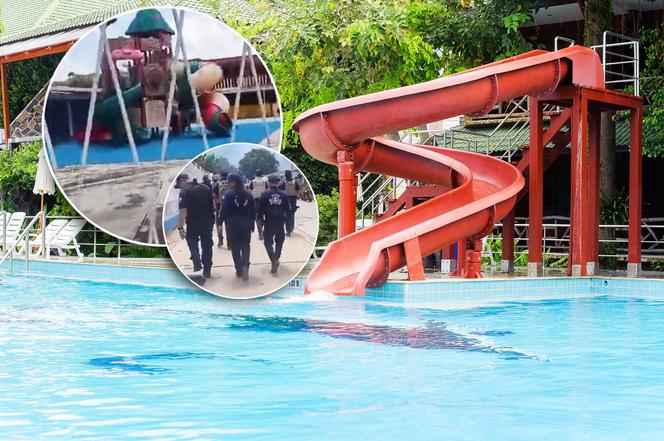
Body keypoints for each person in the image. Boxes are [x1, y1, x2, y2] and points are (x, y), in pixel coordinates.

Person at [218, 173, 255, 281]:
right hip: (246, 224)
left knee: (235, 248)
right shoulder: (249, 194)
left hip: (232, 225)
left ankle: (239, 270)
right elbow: (253, 211)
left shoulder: (228, 194)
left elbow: (224, 210)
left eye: (229, 182)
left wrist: (220, 222)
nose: (228, 184)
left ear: (233, 182)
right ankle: (245, 267)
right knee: (246, 246)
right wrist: (252, 224)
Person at [177, 173, 215, 278]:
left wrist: (180, 227)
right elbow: (213, 205)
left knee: (192, 241)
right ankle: (207, 270)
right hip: (207, 222)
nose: (180, 187)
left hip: (193, 222)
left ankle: (197, 263)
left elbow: (183, 211)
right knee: (207, 245)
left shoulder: (184, 192)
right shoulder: (206, 188)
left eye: (180, 185)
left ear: (183, 181)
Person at [258, 174, 292, 275]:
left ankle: (273, 259)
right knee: (279, 242)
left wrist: (260, 222)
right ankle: (276, 258)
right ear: (279, 182)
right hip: (280, 222)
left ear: (268, 182)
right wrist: (288, 223)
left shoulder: (264, 194)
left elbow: (259, 211)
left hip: (269, 222)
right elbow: (288, 211)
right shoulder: (284, 195)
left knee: (267, 243)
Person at [279, 169, 300, 236]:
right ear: (291, 174)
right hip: (293, 199)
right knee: (292, 214)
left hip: (286, 199)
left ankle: (288, 231)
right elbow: (298, 190)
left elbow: (280, 190)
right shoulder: (295, 182)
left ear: (285, 175)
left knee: (286, 215)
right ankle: (292, 227)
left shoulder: (283, 182)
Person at [213, 172, 230, 248]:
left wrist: (214, 205)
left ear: (220, 176)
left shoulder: (217, 184)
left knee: (219, 224)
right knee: (229, 225)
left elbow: (213, 196)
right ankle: (230, 243)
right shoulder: (230, 183)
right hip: (230, 207)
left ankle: (220, 239)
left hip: (219, 206)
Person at [249, 169, 268, 240]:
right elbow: (267, 189)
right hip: (264, 199)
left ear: (255, 174)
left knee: (258, 216)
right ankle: (265, 230)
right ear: (261, 174)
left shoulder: (253, 182)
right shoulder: (265, 181)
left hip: (256, 200)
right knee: (266, 215)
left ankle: (260, 232)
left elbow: (250, 191)